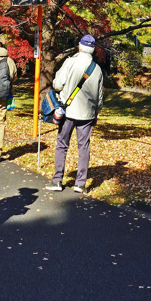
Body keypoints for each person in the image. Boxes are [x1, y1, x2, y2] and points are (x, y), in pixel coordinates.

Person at [45, 34, 103, 194]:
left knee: (62, 145)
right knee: (83, 147)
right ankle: (80, 184)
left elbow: (57, 85)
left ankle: (57, 180)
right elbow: (99, 97)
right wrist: (96, 112)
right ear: (92, 50)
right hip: (87, 114)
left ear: (79, 46)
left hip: (68, 111)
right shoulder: (96, 69)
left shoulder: (70, 62)